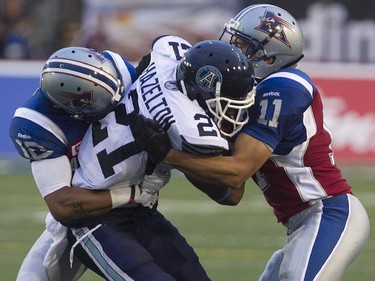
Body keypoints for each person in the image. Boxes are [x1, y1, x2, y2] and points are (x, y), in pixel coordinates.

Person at [134, 5, 370, 281]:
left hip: (328, 212)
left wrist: (168, 154)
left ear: (270, 59)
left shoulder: (284, 86)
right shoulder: (241, 96)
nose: (232, 49)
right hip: (300, 224)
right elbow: (231, 193)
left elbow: (237, 170)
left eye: (242, 44)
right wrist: (181, 147)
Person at [65, 35, 255, 280]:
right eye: (228, 102)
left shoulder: (168, 61)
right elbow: (232, 193)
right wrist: (171, 154)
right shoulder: (190, 128)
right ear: (203, 88)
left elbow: (158, 50)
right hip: (97, 219)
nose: (234, 109)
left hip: (140, 212)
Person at [9, 46, 140, 280]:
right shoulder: (37, 123)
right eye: (96, 100)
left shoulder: (123, 72)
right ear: (70, 105)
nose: (113, 102)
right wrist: (133, 193)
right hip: (90, 211)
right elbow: (62, 204)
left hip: (138, 203)